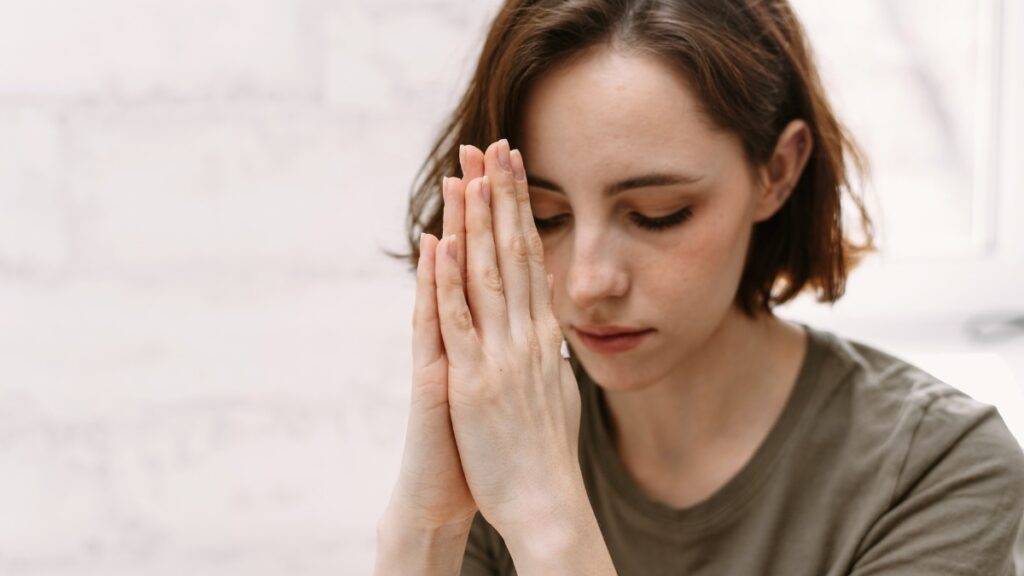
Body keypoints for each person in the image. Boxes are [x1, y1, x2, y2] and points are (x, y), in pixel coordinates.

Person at [376, 0, 1024, 574]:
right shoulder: (511, 432)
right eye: (544, 217)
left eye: (658, 213)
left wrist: (548, 520)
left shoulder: (937, 473)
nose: (589, 281)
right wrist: (427, 517)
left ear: (776, 171)